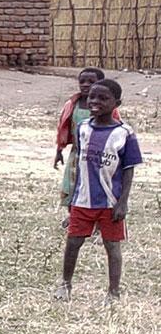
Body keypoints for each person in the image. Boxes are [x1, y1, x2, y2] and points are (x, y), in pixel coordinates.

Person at [59, 77, 139, 299]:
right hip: (82, 199)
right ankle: (65, 284)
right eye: (92, 97)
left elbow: (128, 169)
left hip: (110, 202)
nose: (95, 101)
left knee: (112, 247)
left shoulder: (125, 133)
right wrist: (72, 195)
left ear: (117, 104)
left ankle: (113, 291)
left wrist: (122, 201)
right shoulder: (83, 128)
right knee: (73, 242)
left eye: (103, 98)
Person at [55, 66, 106, 211]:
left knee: (94, 185)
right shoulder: (72, 105)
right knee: (72, 185)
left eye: (91, 81)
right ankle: (73, 217)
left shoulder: (106, 107)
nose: (85, 84)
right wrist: (59, 151)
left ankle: (96, 220)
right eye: (82, 81)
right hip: (76, 154)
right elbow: (63, 129)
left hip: (97, 156)